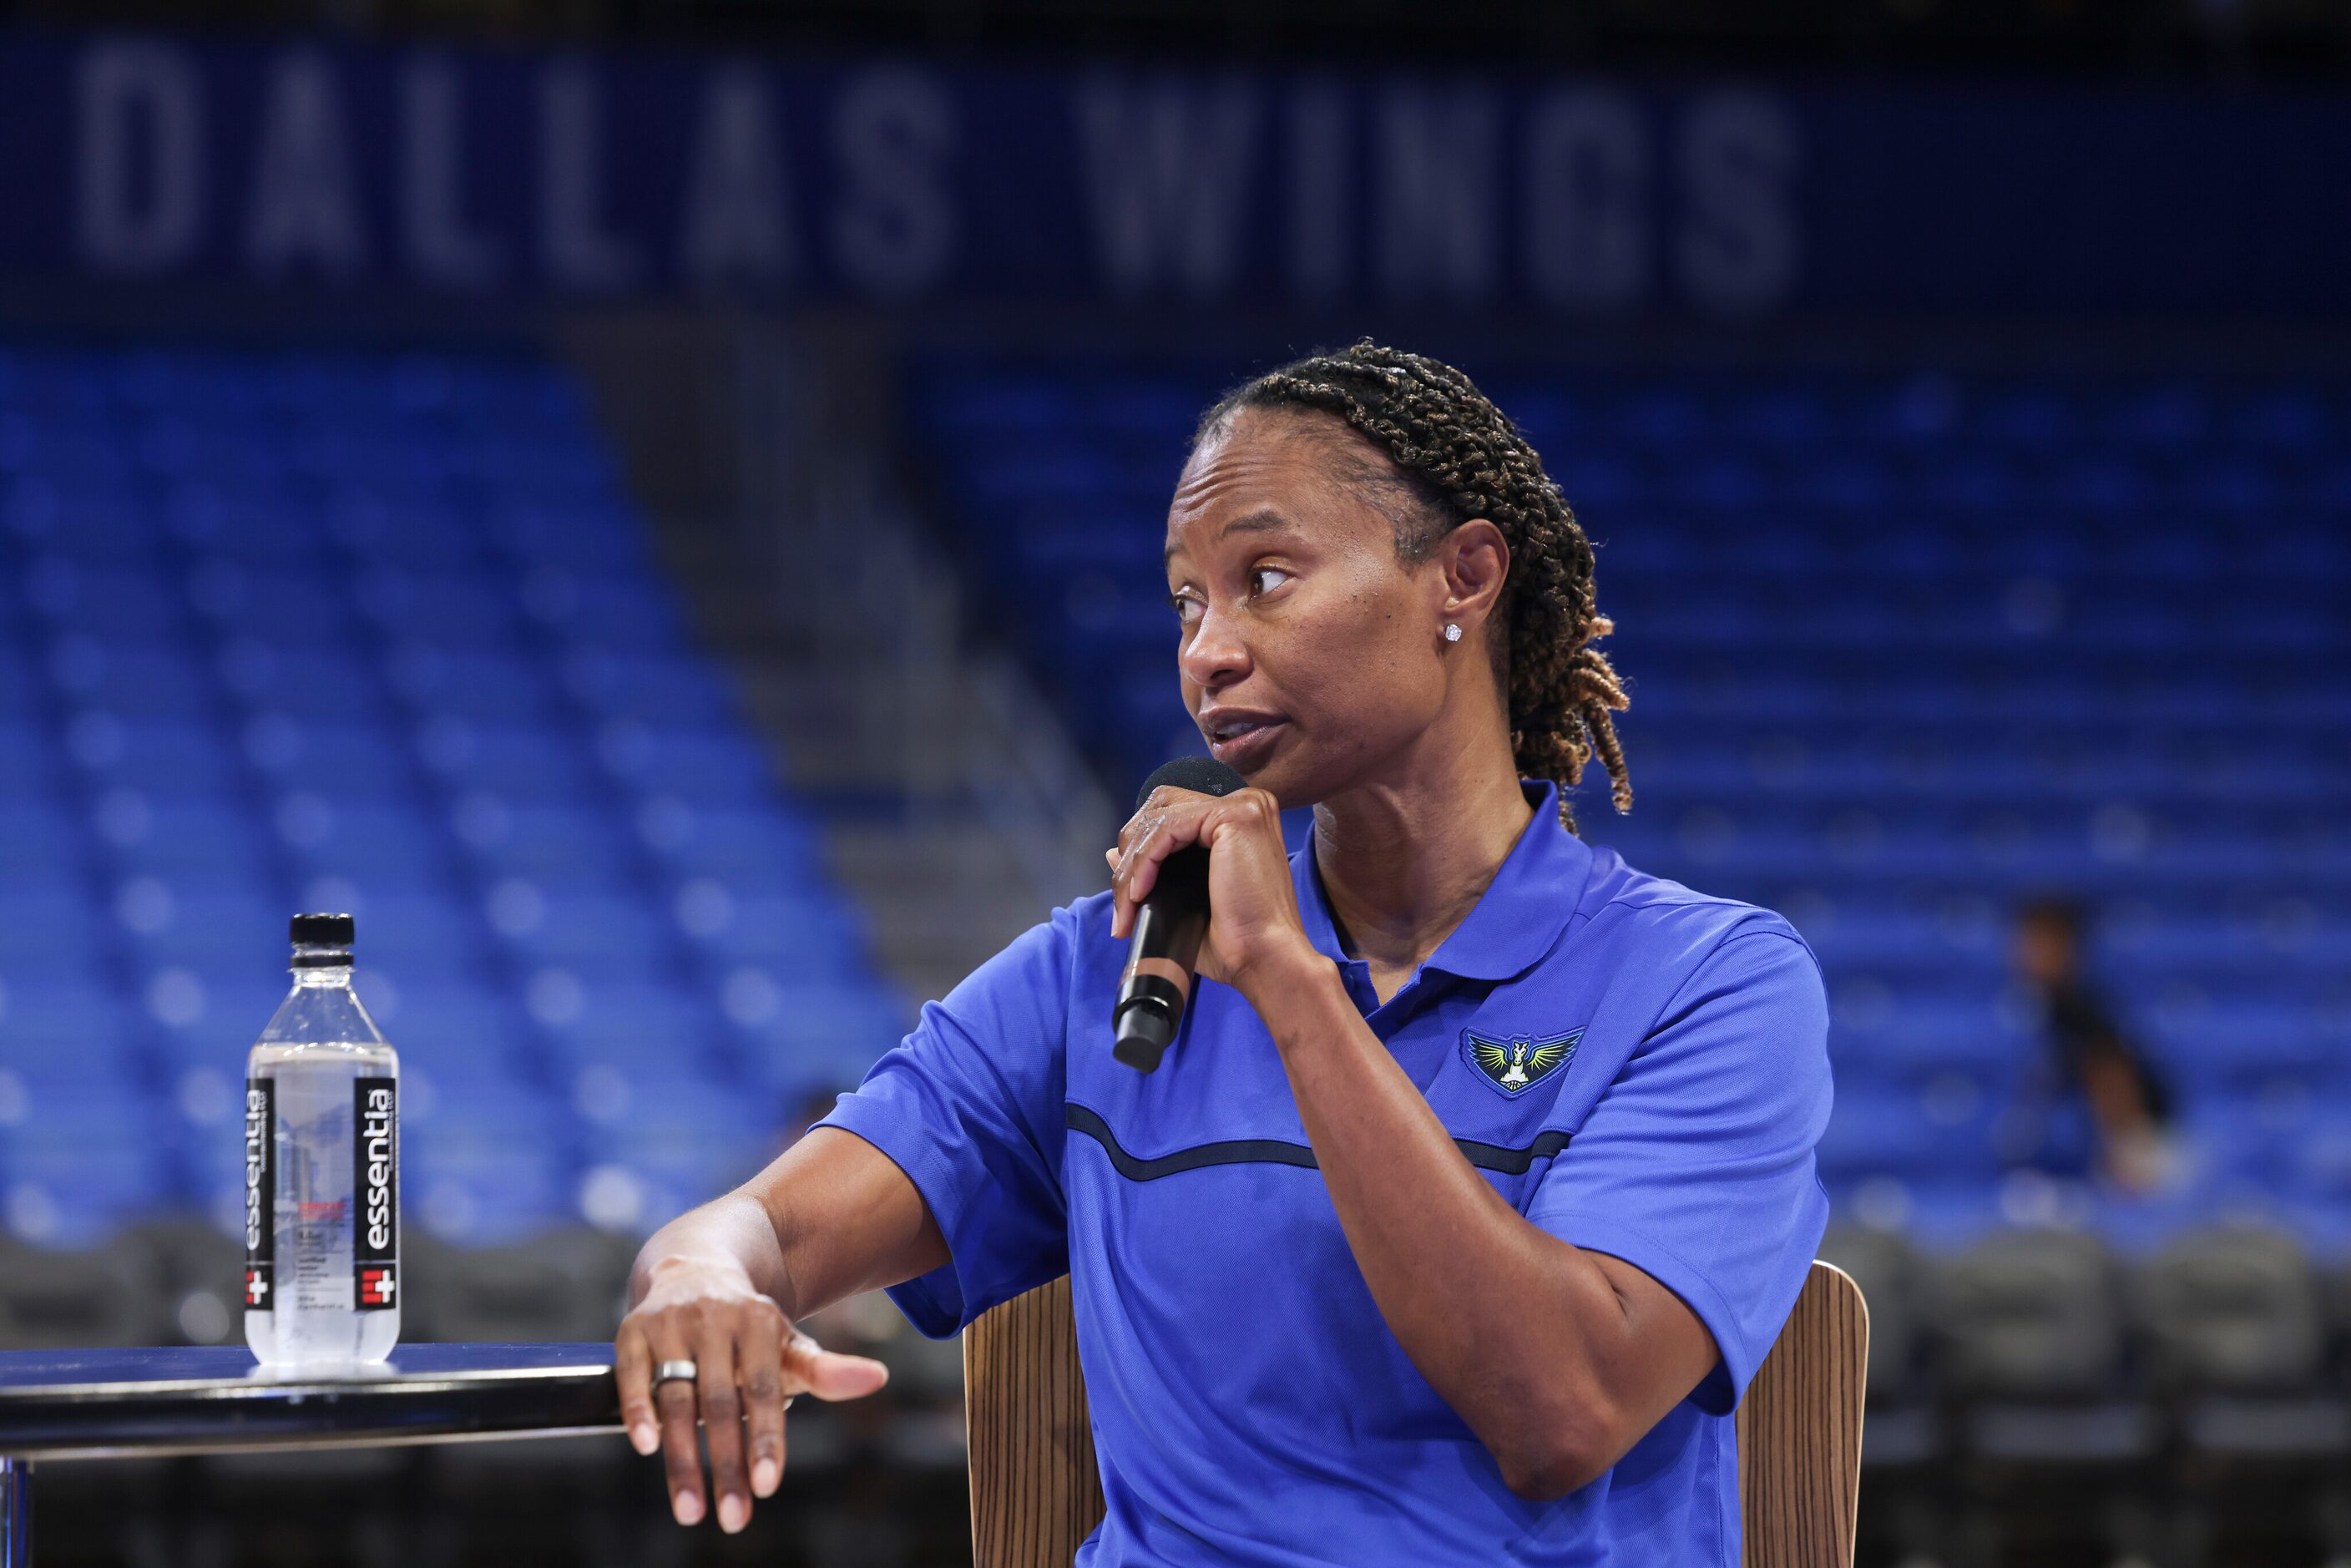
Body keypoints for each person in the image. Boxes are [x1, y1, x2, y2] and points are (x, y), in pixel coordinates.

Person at [614, 343, 1833, 1563]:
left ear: (1461, 577)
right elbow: (765, 1230)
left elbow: (1561, 1410)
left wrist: (1291, 986)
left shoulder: (1710, 983)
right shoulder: (1106, 970)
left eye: (1265, 577)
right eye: (1188, 601)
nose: (1207, 650)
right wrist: (698, 1272)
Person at [2010, 895, 2176, 1192]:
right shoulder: (2029, 1007)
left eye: (2045, 942)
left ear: (2071, 949)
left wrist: (2128, 1151)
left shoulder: (2082, 1013)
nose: (2032, 953)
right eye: (2029, 942)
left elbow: (2109, 1072)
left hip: (2102, 1161)